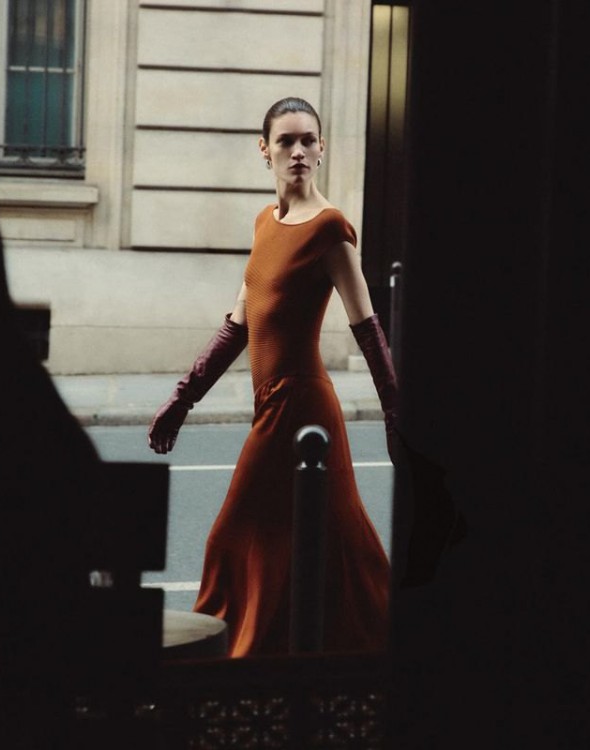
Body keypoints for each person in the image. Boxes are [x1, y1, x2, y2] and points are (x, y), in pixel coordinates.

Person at [148, 97, 396, 657]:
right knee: (331, 542)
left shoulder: (330, 229)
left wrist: (395, 415)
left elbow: (368, 327)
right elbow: (237, 325)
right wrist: (182, 399)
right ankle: (335, 659)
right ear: (265, 150)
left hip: (300, 408)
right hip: (273, 404)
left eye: (308, 140)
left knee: (234, 536)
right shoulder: (266, 222)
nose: (298, 151)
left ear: (322, 148)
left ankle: (236, 659)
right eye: (286, 141)